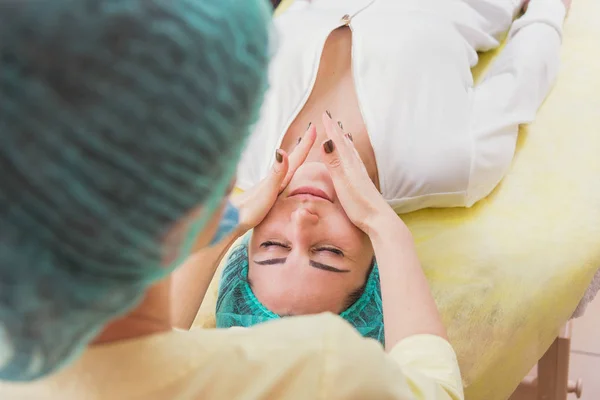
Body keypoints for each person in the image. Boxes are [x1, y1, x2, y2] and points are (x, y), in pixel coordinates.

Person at [0, 0, 464, 399]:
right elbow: (432, 389)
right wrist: (385, 226)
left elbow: (145, 352)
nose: (301, 221)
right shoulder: (323, 372)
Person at [206, 0, 570, 338]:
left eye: (273, 244)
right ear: (377, 264)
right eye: (328, 252)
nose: (302, 220)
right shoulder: (451, 164)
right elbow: (526, 67)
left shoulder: (234, 136)